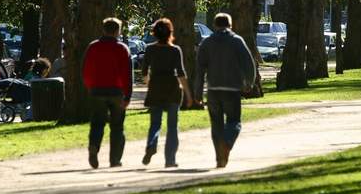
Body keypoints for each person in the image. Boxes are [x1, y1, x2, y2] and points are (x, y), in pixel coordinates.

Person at [195, 13, 256, 168]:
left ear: (215, 25)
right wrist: (249, 82)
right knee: (234, 121)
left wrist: (198, 93)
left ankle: (219, 158)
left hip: (213, 90)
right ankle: (227, 143)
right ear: (230, 25)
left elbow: (200, 70)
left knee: (216, 125)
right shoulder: (236, 41)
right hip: (232, 89)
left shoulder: (207, 43)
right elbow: (249, 64)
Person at [141, 18, 193, 168]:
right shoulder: (175, 50)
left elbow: (144, 71)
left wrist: (150, 84)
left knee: (155, 124)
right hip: (172, 88)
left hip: (156, 87)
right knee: (172, 126)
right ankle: (170, 159)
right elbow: (181, 73)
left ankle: (151, 144)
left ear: (154, 33)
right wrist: (188, 94)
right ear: (170, 32)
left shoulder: (150, 49)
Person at [82, 17, 132, 169]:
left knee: (97, 123)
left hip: (97, 90)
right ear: (118, 31)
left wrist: (90, 86)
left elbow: (86, 70)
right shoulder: (122, 49)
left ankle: (94, 146)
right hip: (116, 91)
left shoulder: (93, 47)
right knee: (117, 126)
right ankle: (115, 159)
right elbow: (127, 75)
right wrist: (128, 95)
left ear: (103, 30)